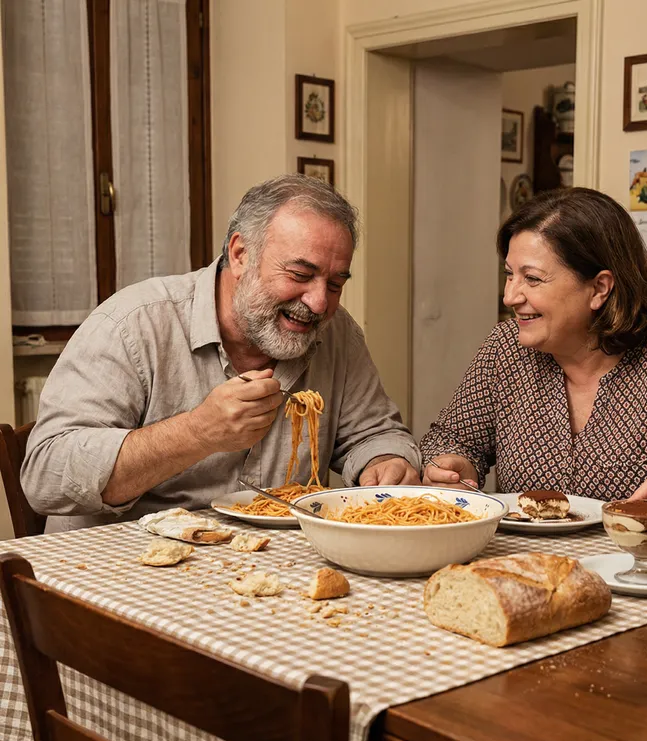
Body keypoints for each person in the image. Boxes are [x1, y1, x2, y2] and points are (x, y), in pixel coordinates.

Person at [22, 175, 421, 532]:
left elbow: (375, 433)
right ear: (240, 254)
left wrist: (387, 462)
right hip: (114, 580)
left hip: (263, 577)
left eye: (335, 284)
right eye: (300, 275)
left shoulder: (338, 334)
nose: (319, 303)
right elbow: (45, 474)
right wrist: (197, 432)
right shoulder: (132, 324)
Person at [421, 188, 647, 539]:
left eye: (533, 278)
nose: (510, 296)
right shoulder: (505, 349)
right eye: (510, 274)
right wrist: (453, 466)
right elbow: (454, 438)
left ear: (600, 288)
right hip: (551, 567)